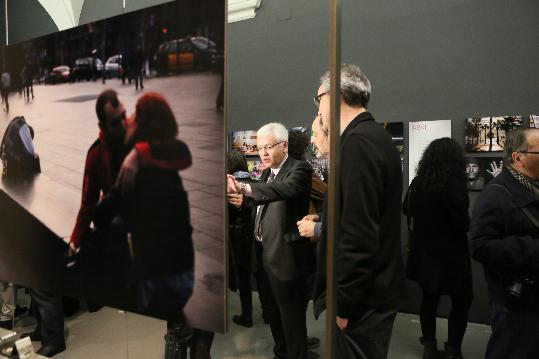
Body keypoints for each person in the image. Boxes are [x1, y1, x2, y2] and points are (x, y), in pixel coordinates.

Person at [311, 64, 403, 359]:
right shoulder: (374, 136)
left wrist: (344, 305)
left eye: (318, 100)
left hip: (362, 302)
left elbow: (359, 235)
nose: (319, 113)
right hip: (374, 292)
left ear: (333, 96)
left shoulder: (357, 143)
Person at [227, 122, 314, 359]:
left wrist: (245, 189)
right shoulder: (266, 172)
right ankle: (281, 352)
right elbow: (264, 202)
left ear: (284, 146)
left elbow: (282, 191)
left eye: (268, 147)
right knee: (273, 315)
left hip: (285, 257)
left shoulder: (299, 170)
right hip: (263, 255)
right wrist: (244, 201)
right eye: (260, 148)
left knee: (291, 318)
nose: (262, 153)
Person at [469, 128, 539, 359]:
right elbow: (479, 245)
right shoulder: (496, 194)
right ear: (518, 157)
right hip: (516, 303)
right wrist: (533, 249)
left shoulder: (533, 188)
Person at [403, 138, 473, 359]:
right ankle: (453, 350)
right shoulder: (454, 186)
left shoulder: (418, 183)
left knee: (429, 299)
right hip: (453, 256)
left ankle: (429, 348)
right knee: (462, 300)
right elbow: (463, 224)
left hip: (426, 254)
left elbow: (407, 209)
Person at [227, 150, 257, 328]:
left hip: (238, 238)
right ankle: (269, 314)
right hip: (256, 236)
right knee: (261, 276)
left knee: (243, 278)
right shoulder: (255, 182)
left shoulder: (231, 185)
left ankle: (247, 315)